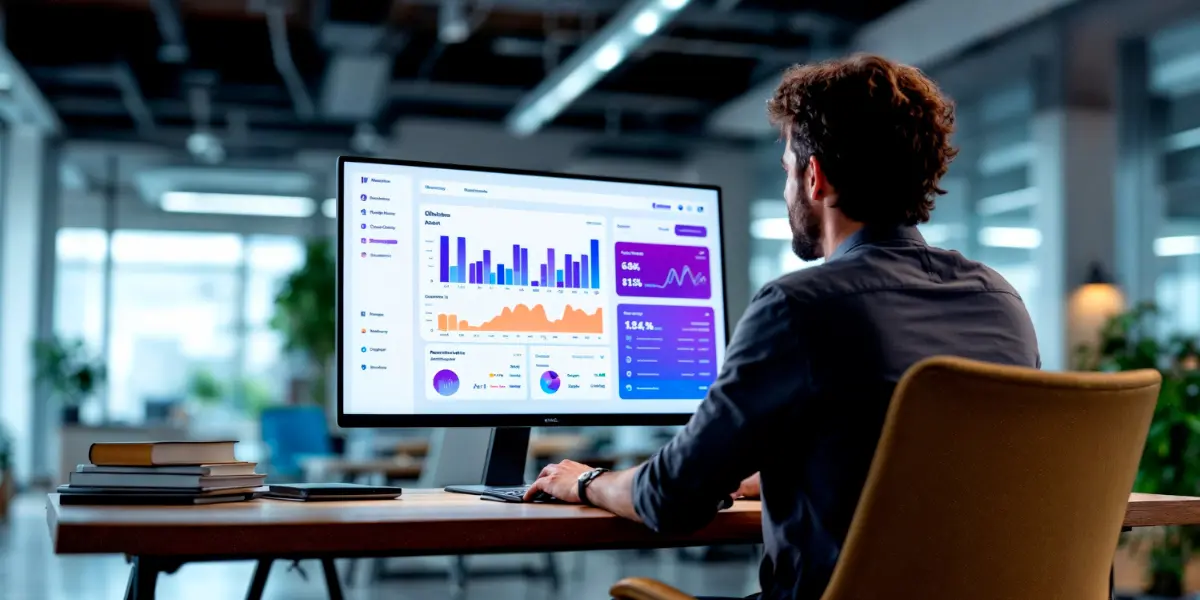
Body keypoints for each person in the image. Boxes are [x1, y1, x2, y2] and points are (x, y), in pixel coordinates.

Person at [524, 54, 1041, 600]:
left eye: (788, 167)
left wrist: (584, 480)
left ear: (814, 177)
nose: (788, 186)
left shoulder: (800, 307)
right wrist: (778, 475)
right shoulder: (998, 299)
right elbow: (932, 474)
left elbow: (671, 499)